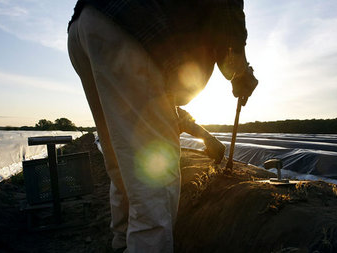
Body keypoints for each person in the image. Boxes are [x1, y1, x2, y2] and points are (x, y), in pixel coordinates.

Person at [67, 0, 258, 252]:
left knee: (123, 165)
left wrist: (205, 136)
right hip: (129, 31)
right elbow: (229, 37)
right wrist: (241, 75)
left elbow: (158, 105)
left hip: (85, 27)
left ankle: (122, 243)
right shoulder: (155, 42)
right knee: (155, 184)